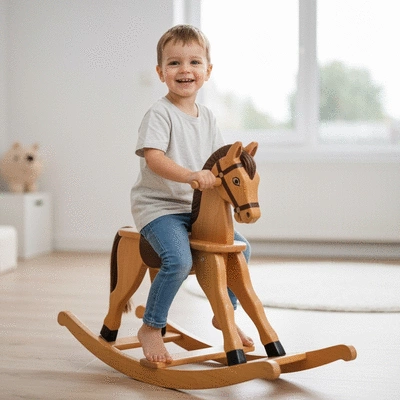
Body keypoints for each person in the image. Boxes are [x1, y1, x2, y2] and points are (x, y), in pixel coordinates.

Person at [131, 24, 253, 363]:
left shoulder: (209, 117)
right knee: (178, 260)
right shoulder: (160, 113)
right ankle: (152, 327)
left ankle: (224, 313)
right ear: (161, 72)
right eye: (174, 63)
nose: (185, 70)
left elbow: (217, 163)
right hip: (159, 208)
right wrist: (190, 176)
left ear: (207, 71)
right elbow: (154, 158)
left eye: (194, 62)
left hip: (195, 209)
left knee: (241, 249)